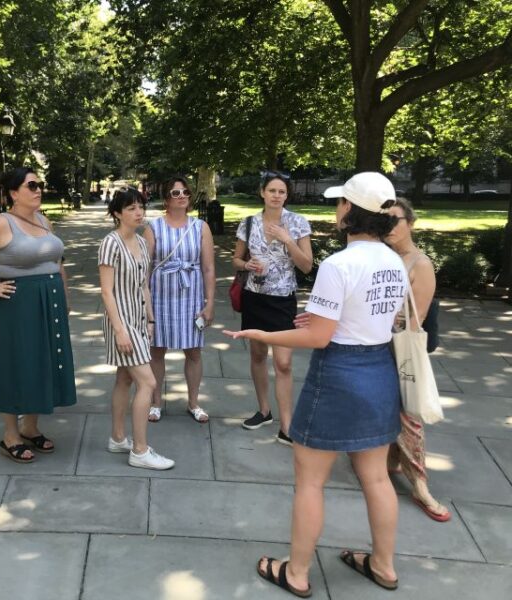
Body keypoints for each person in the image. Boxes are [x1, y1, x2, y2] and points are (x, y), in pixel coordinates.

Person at [224, 172, 407, 596]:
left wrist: (262, 336)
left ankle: (297, 572)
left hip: (339, 374)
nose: (337, 208)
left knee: (309, 480)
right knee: (376, 478)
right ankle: (383, 565)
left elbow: (317, 338)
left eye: (341, 202)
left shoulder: (340, 264)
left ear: (350, 211)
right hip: (379, 369)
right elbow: (378, 317)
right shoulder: (394, 261)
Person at [0, 167, 77, 463]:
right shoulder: (0, 224)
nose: (38, 190)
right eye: (31, 185)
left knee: (44, 360)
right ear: (12, 193)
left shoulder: (43, 220)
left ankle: (30, 426)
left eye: (40, 184)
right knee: (16, 363)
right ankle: (10, 434)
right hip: (19, 304)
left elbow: (56, 262)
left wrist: (65, 296)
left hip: (50, 300)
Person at [233, 172, 313, 444]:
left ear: (286, 196)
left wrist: (287, 239)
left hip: (282, 299)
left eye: (282, 191)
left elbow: (306, 265)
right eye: (272, 190)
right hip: (255, 297)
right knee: (257, 355)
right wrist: (246, 265)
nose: (277, 195)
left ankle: (287, 425)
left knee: (284, 362)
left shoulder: (297, 223)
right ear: (263, 193)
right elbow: (235, 259)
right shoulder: (249, 223)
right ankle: (264, 410)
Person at [384, 197, 450, 522]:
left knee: (410, 416)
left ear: (410, 223)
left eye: (396, 220)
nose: (390, 226)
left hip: (401, 350)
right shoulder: (382, 256)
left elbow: (417, 317)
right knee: (389, 408)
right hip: (376, 345)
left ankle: (420, 485)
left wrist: (400, 360)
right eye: (385, 220)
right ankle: (392, 461)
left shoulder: (419, 264)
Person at [99, 187, 174, 470]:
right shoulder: (110, 243)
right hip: (121, 321)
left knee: (125, 380)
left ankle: (118, 438)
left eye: (141, 206)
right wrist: (120, 330)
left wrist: (151, 319)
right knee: (148, 382)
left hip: (140, 320)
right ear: (117, 213)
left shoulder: (142, 243)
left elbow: (144, 285)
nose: (139, 212)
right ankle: (140, 451)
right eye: (131, 208)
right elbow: (106, 292)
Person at [144, 176, 215, 424]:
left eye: (185, 192)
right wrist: (146, 306)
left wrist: (209, 303)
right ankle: (155, 402)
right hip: (161, 297)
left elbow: (208, 268)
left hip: (191, 297)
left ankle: (193, 402)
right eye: (175, 193)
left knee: (193, 352)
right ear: (166, 199)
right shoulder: (153, 227)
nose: (182, 196)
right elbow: (145, 269)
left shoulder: (200, 227)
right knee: (156, 352)